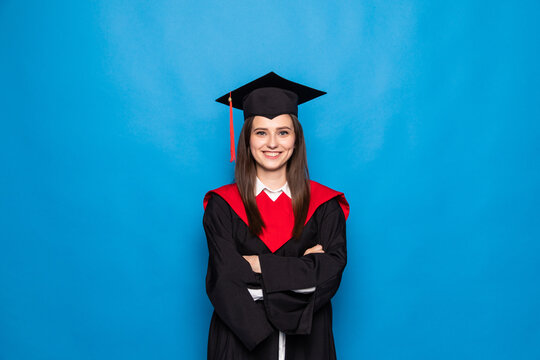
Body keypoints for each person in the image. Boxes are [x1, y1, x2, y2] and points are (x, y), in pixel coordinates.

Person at [203, 72, 350, 360]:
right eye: (261, 132)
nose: (272, 143)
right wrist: (304, 268)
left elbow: (331, 274)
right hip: (240, 343)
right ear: (247, 140)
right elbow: (224, 280)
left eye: (283, 132)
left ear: (296, 140)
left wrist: (258, 266)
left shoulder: (325, 204)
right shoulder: (222, 205)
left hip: (308, 345)